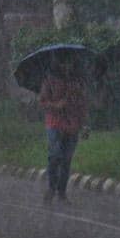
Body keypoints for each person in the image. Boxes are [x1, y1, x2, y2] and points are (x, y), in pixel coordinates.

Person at [37, 60, 88, 203]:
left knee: (66, 160)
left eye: (69, 63)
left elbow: (81, 104)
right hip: (55, 124)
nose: (67, 66)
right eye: (64, 63)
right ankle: (51, 187)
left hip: (72, 125)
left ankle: (62, 192)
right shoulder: (50, 81)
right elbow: (42, 102)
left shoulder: (77, 82)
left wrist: (84, 124)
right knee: (54, 156)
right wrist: (56, 105)